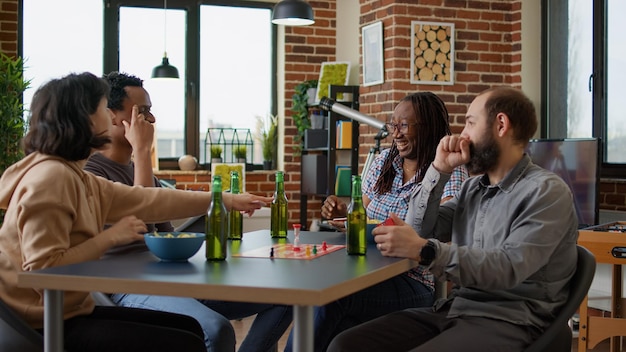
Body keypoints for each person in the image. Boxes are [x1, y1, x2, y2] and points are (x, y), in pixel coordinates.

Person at [0, 72, 272, 352]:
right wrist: (110, 237)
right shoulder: (51, 178)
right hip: (42, 324)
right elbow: (44, 271)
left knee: (190, 330)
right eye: (102, 107)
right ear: (84, 117)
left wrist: (224, 199)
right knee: (193, 339)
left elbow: (147, 200)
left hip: (68, 312)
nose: (108, 114)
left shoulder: (74, 175)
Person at [327, 87, 578, 352]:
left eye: (470, 123)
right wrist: (438, 170)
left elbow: (507, 267)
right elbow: (420, 228)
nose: (462, 134)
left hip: (511, 320)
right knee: (345, 345)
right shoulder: (473, 189)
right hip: (455, 310)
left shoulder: (546, 191)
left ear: (501, 125)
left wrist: (425, 250)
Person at [84, 71, 293, 352]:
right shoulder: (90, 172)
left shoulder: (138, 171)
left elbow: (167, 235)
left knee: (287, 294)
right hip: (127, 286)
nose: (152, 120)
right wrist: (143, 151)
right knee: (215, 330)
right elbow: (141, 225)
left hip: (167, 277)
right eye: (143, 112)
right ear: (111, 115)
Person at [285, 92, 469, 352]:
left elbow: (442, 234)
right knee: (332, 321)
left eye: (404, 125)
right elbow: (362, 213)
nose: (396, 133)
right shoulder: (384, 161)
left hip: (413, 281)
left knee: (331, 299)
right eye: (394, 125)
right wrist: (346, 211)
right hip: (363, 271)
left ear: (427, 127)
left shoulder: (449, 171)